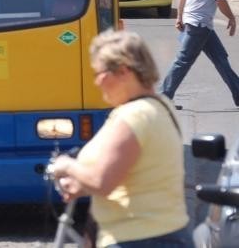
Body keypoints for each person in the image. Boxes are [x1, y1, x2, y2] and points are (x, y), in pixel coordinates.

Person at [50, 30, 191, 247]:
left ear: (124, 71)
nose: (96, 82)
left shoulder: (134, 116)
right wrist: (83, 186)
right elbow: (134, 176)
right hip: (163, 233)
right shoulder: (160, 107)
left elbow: (102, 182)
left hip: (137, 238)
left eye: (100, 73)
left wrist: (66, 165)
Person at [160, 0, 239, 108]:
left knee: (221, 59)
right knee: (183, 61)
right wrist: (232, 18)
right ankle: (163, 98)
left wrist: (180, 17)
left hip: (197, 22)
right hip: (199, 24)